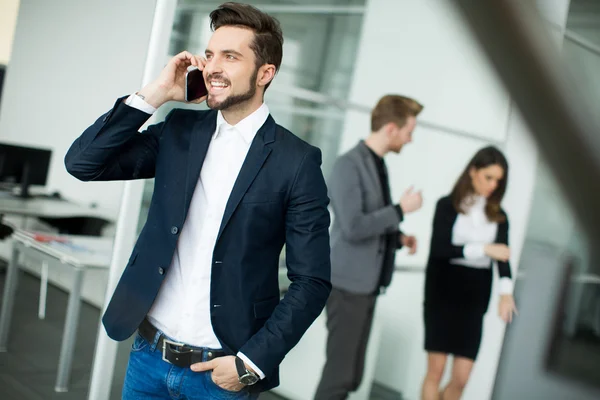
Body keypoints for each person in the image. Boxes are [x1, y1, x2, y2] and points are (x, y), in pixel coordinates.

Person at [65, 3, 331, 399]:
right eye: (209, 55)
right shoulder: (180, 131)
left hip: (222, 373)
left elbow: (311, 281)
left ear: (265, 73)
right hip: (148, 355)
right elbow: (83, 163)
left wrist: (250, 363)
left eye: (230, 56)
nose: (212, 67)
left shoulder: (296, 161)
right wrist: (157, 93)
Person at [314, 95, 424, 400]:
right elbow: (353, 226)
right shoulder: (349, 165)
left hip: (365, 286)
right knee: (340, 375)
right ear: (391, 128)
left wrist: (397, 237)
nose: (410, 138)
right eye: (409, 131)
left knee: (351, 375)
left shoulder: (377, 164)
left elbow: (372, 220)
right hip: (346, 286)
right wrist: (400, 210)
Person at [421, 146, 518, 400]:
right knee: (436, 370)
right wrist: (484, 248)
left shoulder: (499, 216)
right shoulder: (447, 206)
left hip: (474, 297)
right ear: (473, 171)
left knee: (461, 379)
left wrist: (506, 293)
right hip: (442, 292)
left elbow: (503, 257)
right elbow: (441, 249)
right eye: (489, 177)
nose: (493, 185)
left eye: (498, 180)